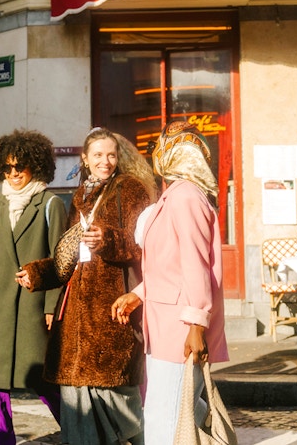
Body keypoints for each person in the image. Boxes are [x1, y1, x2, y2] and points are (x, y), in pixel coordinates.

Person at [16, 127, 156, 445]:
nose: (104, 161)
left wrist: (108, 240)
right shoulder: (81, 196)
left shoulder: (130, 189)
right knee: (77, 399)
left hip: (112, 309)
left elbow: (143, 245)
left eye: (110, 155)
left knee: (120, 398)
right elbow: (68, 258)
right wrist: (36, 274)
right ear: (85, 159)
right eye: (97, 155)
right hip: (78, 316)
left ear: (118, 157)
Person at [111, 120, 229, 445]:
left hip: (179, 329)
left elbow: (195, 265)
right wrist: (138, 295)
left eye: (161, 148)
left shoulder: (185, 197)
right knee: (170, 415)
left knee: (169, 421)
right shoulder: (175, 195)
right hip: (166, 326)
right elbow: (170, 266)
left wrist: (196, 324)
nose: (155, 156)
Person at [0, 129, 67, 445]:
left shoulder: (50, 204)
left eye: (20, 166)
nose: (14, 173)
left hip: (32, 310)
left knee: (46, 381)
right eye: (7, 168)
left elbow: (59, 261)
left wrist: (51, 306)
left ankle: (80, 432)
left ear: (36, 165)